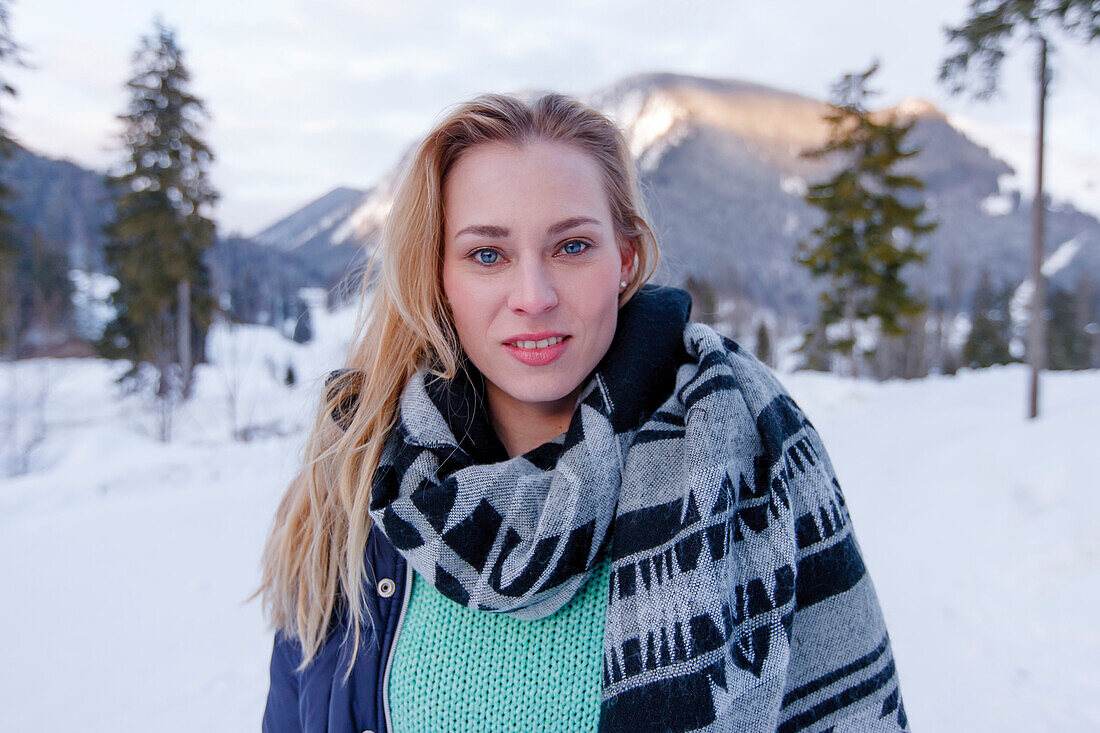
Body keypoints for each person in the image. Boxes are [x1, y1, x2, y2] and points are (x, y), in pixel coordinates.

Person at [256, 91, 910, 733]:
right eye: (489, 255)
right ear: (439, 278)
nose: (533, 296)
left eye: (571, 247)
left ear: (624, 257)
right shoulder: (369, 483)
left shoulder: (747, 447)